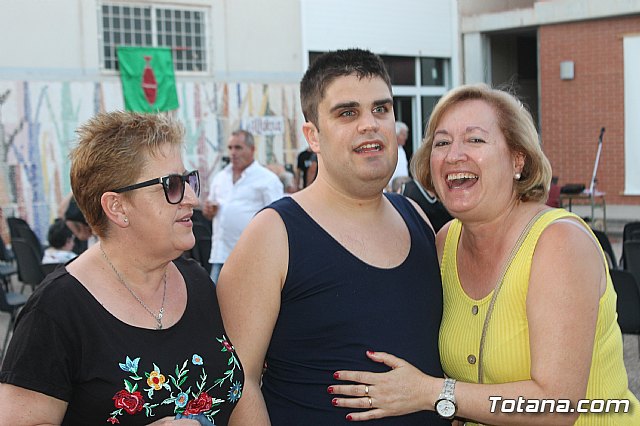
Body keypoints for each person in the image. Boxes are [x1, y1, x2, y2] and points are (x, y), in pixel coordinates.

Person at [329, 84, 640, 424]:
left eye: (475, 140)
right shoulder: (445, 244)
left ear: (517, 159)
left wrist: (432, 394)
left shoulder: (559, 242)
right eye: (442, 142)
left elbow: (555, 406)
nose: (453, 155)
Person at [216, 48, 448, 425]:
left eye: (381, 109)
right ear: (313, 135)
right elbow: (239, 384)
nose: (369, 124)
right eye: (347, 113)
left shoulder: (417, 219)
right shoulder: (274, 235)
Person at [0, 111, 244, 425]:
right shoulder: (55, 312)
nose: (192, 199)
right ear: (117, 207)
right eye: (171, 185)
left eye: (188, 180)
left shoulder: (196, 281)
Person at [203, 129, 283, 284]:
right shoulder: (220, 177)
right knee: (213, 305)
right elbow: (210, 211)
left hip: (253, 259)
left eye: (238, 147)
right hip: (221, 255)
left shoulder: (267, 180)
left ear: (252, 149)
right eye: (230, 148)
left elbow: (279, 220)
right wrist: (208, 211)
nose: (233, 152)